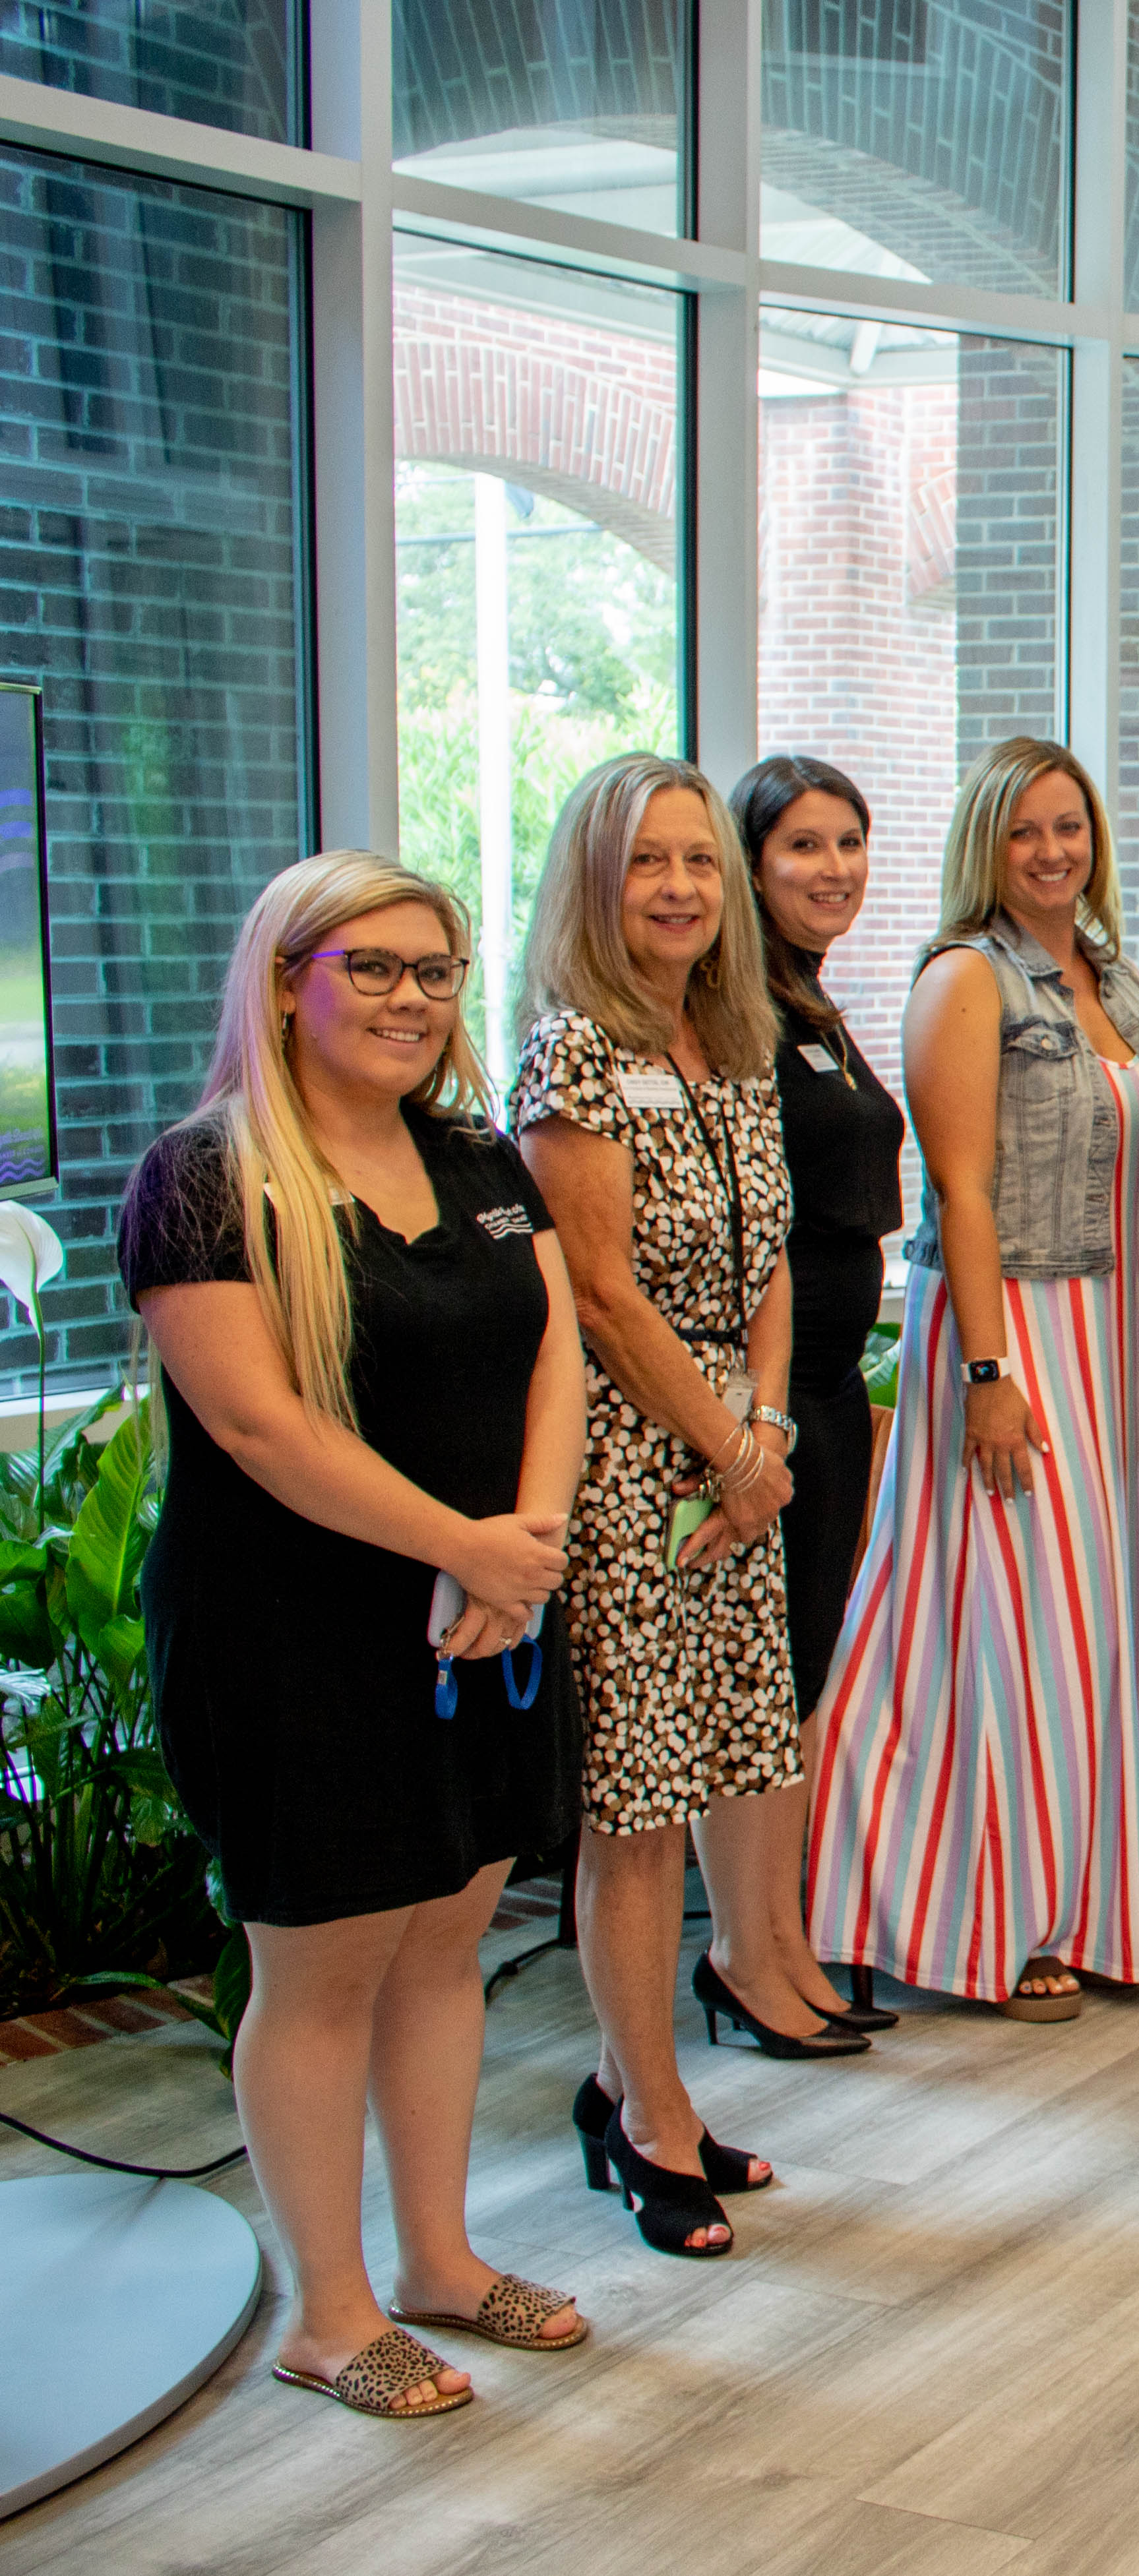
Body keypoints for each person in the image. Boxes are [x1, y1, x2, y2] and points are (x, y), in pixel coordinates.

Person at [123, 854, 591, 2414]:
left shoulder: (477, 1158)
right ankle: (329, 2312)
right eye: (370, 968)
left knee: (446, 1942)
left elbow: (557, 1364)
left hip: (483, 1618)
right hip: (293, 1632)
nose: (409, 998)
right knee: (321, 1967)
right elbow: (261, 1429)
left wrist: (518, 1560)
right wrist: (469, 1550)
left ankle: (442, 2264)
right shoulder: (202, 1176)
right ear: (285, 984)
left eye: (434, 970)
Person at [807, 739, 1139, 2023]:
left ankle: (1089, 1903)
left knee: (1097, 1631)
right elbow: (956, 1187)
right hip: (1008, 1325)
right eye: (1023, 831)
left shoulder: (1113, 978)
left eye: (1069, 827)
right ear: (984, 843)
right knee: (1000, 1625)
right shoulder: (964, 978)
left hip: (1110, 1323)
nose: (1050, 852)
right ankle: (980, 1914)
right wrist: (983, 1371)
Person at [510, 753, 810, 2258]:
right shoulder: (572, 1055)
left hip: (729, 1461)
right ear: (594, 884)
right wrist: (728, 1448)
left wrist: (761, 1425)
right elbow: (605, 1299)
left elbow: (770, 1265)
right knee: (633, 1811)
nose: (683, 888)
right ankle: (644, 2116)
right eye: (650, 865)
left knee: (706, 1784)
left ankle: (643, 2092)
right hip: (629, 1464)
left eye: (700, 861)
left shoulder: (729, 1045)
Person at [721, 754, 904, 2043]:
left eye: (849, 843)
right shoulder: (731, 1013)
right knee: (759, 1687)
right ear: (751, 862)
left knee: (798, 1681)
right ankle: (744, 1955)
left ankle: (780, 1940)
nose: (832, 869)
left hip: (831, 1384)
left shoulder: (814, 1002)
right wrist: (757, 1416)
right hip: (756, 1404)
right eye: (803, 847)